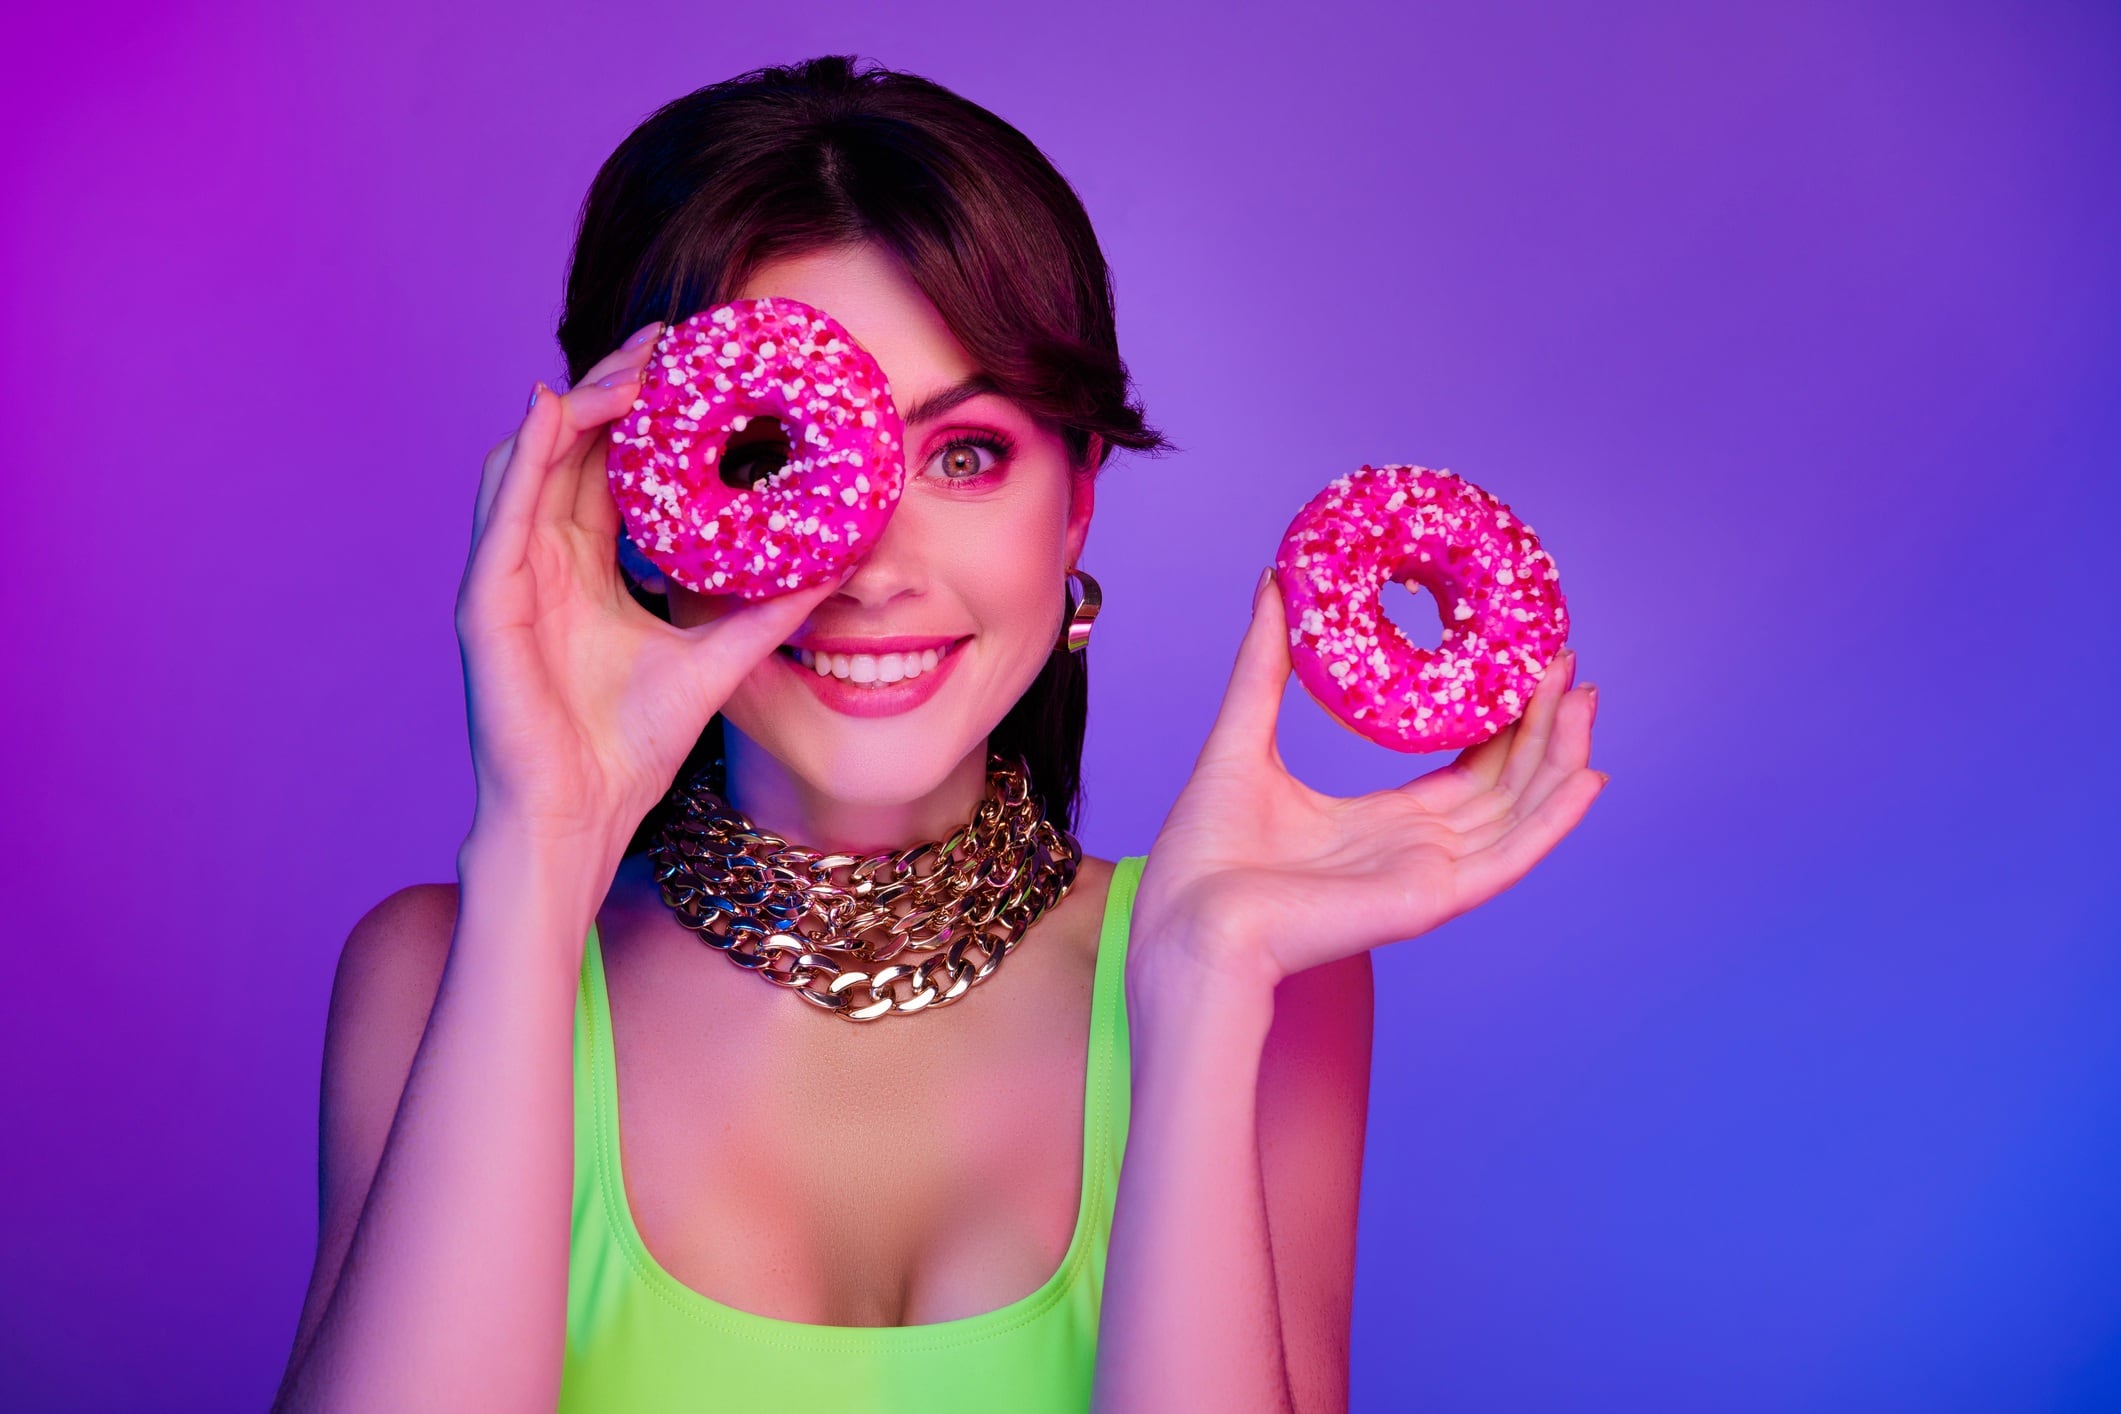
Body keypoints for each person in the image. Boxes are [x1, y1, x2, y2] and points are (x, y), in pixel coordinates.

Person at [270, 55, 1603, 1414]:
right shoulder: (442, 966)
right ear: (625, 496)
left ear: (1075, 497)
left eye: (962, 453)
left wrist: (1202, 988)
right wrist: (543, 850)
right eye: (769, 454)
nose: (872, 567)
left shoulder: (1272, 979)